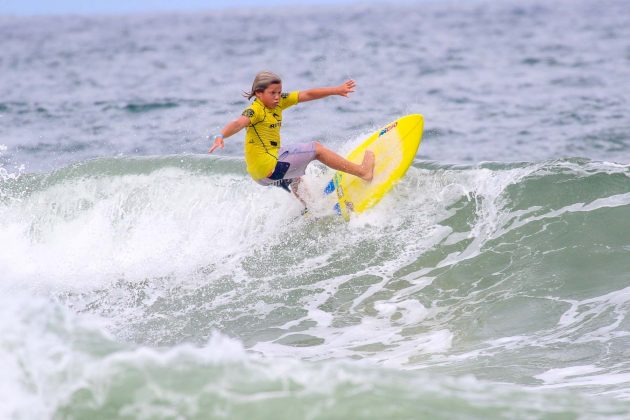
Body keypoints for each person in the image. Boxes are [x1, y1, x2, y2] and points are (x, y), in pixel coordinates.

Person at [208, 71, 374, 207]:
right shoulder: (255, 110)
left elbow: (306, 94)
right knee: (316, 148)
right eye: (272, 93)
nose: (277, 97)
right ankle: (363, 172)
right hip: (269, 167)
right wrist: (221, 136)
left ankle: (311, 208)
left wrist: (336, 90)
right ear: (258, 93)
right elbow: (238, 123)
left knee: (294, 175)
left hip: (260, 175)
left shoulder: (279, 102)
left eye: (279, 92)